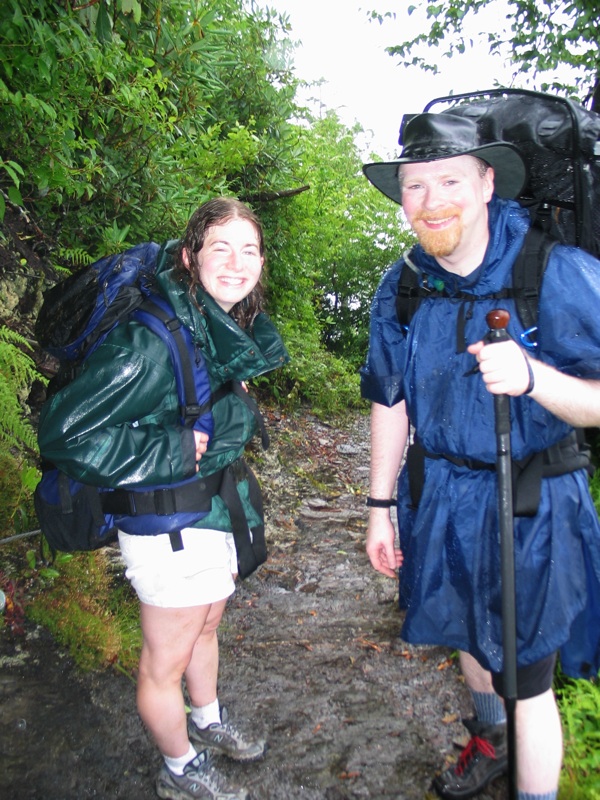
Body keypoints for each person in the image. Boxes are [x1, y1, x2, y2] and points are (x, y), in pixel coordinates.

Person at [360, 113, 600, 800]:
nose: (432, 200)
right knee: (464, 632)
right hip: (439, 497)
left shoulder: (552, 272)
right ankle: (490, 743)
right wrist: (380, 506)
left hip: (532, 505)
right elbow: (389, 398)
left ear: (488, 183)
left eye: (450, 180)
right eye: (415, 185)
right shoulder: (403, 286)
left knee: (528, 679)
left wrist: (535, 379)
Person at [37, 197, 289, 800]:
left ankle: (206, 721)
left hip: (205, 510)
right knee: (163, 661)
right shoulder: (149, 339)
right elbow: (66, 434)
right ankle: (179, 768)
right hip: (164, 521)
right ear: (189, 256)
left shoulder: (214, 325)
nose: (236, 262)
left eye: (248, 249)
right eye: (219, 247)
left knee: (206, 623)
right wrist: (174, 452)